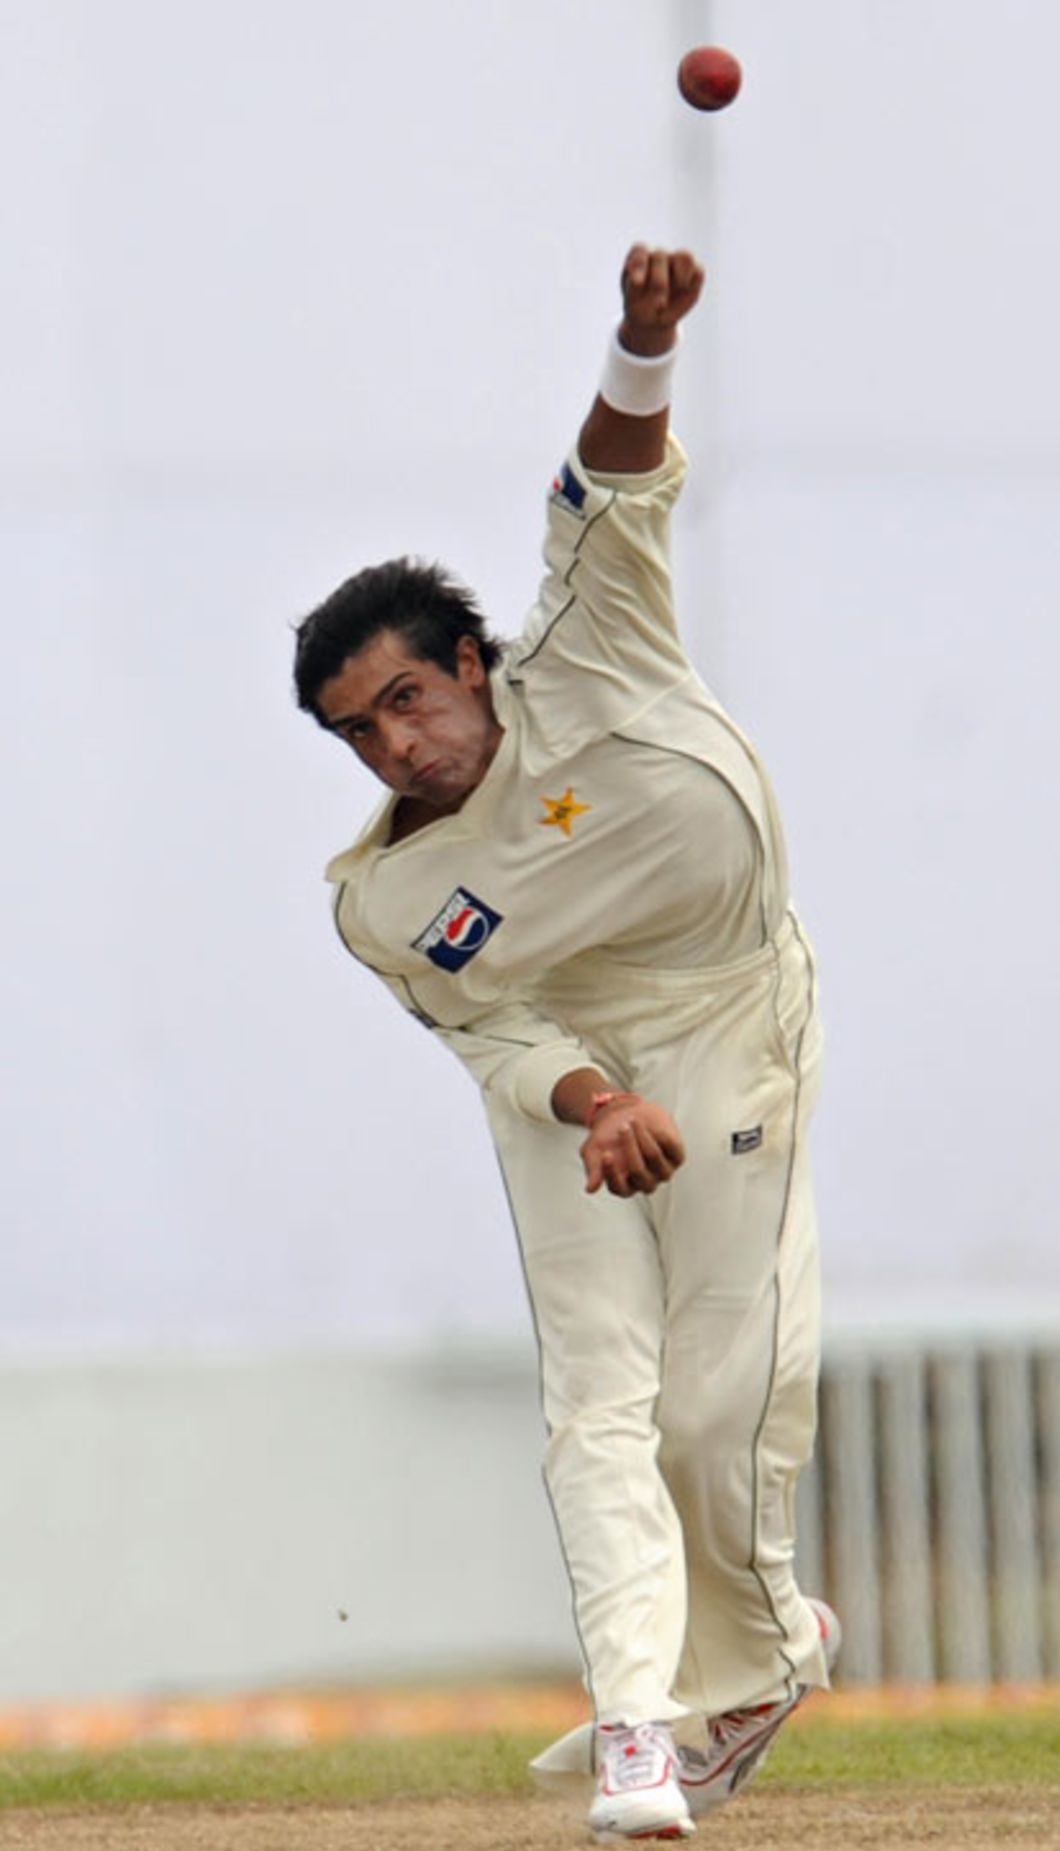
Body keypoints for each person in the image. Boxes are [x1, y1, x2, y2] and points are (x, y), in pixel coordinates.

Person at [293, 244, 839, 1843]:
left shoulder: (586, 649)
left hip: (735, 1012)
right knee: (599, 1399)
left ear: (468, 663)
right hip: (572, 1069)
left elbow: (605, 486)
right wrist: (592, 1096)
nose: (400, 745)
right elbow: (495, 1036)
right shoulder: (390, 902)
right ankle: (634, 1732)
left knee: (713, 1406)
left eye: (408, 700)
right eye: (360, 731)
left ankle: (767, 1645)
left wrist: (641, 340)